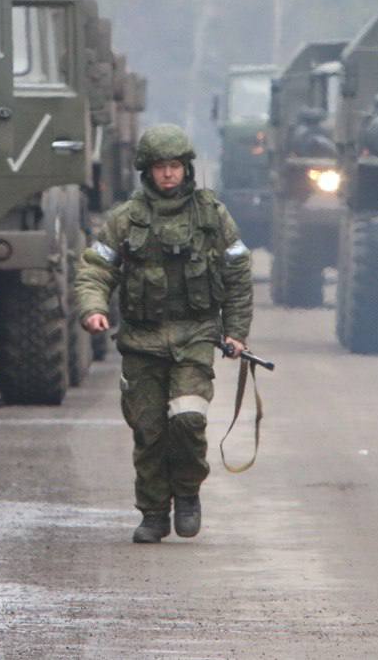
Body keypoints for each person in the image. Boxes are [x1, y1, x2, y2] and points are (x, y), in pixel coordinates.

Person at [75, 124, 254, 543]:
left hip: (195, 336)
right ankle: (154, 512)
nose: (169, 175)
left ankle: (188, 492)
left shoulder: (212, 216)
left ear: (186, 169)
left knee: (189, 419)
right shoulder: (125, 219)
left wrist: (237, 333)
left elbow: (237, 275)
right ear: (147, 172)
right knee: (149, 431)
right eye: (161, 168)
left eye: (175, 166)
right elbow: (95, 269)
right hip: (141, 341)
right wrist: (94, 309)